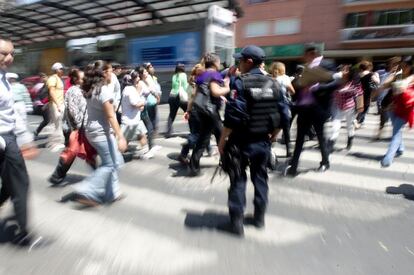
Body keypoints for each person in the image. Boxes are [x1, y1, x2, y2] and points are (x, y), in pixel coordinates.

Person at [218, 45, 282, 236]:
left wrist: (222, 141)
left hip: (240, 141)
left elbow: (232, 115)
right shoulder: (274, 83)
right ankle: (259, 218)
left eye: (240, 60)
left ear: (249, 62)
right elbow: (283, 114)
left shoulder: (240, 82)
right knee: (260, 179)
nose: (239, 64)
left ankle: (237, 223)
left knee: (238, 180)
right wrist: (274, 135)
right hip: (262, 141)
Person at [64, 61, 127, 206]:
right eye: (110, 70)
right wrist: (121, 136)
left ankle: (113, 193)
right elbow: (111, 116)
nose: (112, 73)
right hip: (101, 133)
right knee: (110, 165)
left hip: (92, 131)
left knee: (114, 161)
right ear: (104, 73)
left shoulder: (91, 89)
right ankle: (87, 189)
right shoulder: (103, 91)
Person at [0, 37, 38, 246]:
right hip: (3, 141)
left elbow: (11, 111)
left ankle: (23, 232)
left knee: (12, 185)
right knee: (20, 185)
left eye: (12, 53)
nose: (9, 57)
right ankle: (23, 234)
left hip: (8, 138)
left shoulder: (4, 78)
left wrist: (25, 140)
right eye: (4, 53)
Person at [284, 44, 334, 177]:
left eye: (306, 54)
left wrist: (315, 88)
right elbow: (299, 86)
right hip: (303, 107)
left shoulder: (327, 64)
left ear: (313, 53)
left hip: (318, 108)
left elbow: (334, 83)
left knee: (320, 136)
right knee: (299, 137)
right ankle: (294, 166)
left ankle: (325, 162)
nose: (304, 57)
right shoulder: (305, 67)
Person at [48, 68, 96, 185]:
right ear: (75, 79)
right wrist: (80, 126)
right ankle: (57, 175)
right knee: (73, 151)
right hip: (78, 127)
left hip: (83, 126)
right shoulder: (73, 91)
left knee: (87, 151)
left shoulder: (81, 89)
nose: (85, 79)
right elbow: (73, 110)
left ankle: (98, 175)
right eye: (82, 77)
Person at [188, 53, 230, 176]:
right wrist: (227, 87)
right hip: (211, 111)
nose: (220, 63)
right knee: (221, 135)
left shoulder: (202, 74)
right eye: (219, 61)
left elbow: (196, 94)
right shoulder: (214, 74)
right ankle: (226, 162)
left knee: (203, 138)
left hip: (201, 110)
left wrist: (189, 110)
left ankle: (193, 166)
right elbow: (215, 92)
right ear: (215, 63)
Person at [380, 59, 414, 167]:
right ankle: (401, 148)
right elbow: (384, 85)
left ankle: (388, 158)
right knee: (397, 130)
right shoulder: (398, 75)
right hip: (392, 108)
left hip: (405, 109)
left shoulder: (412, 77)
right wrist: (393, 75)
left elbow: (402, 87)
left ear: (410, 67)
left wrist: (401, 82)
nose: (403, 68)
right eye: (402, 66)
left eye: (405, 66)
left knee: (395, 133)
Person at [327, 65, 364, 152]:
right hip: (338, 107)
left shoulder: (354, 83)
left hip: (350, 108)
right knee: (335, 125)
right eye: (343, 69)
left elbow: (359, 94)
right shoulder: (337, 81)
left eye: (346, 70)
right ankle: (331, 142)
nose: (343, 71)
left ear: (350, 73)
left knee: (349, 126)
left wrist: (360, 108)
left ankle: (350, 141)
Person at [120, 70, 151, 158]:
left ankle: (145, 151)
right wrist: (143, 102)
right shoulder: (129, 90)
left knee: (142, 135)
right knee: (124, 140)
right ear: (132, 79)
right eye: (137, 77)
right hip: (129, 121)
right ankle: (117, 156)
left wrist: (140, 105)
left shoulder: (130, 89)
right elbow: (135, 103)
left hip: (135, 119)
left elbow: (136, 104)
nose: (138, 78)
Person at [269, 61, 295, 157]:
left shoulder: (270, 78)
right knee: (286, 127)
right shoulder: (285, 78)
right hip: (283, 105)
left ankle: (269, 145)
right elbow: (292, 91)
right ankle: (289, 150)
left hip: (272, 106)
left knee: (273, 125)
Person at [47, 62, 66, 152]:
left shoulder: (59, 79)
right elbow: (52, 91)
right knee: (57, 124)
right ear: (56, 70)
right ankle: (56, 143)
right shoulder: (52, 79)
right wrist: (58, 104)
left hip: (59, 104)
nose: (63, 70)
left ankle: (58, 142)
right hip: (56, 104)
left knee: (58, 124)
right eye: (61, 69)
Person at [355, 60, 380, 127]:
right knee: (365, 108)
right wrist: (377, 76)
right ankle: (357, 119)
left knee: (359, 107)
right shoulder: (371, 74)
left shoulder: (357, 74)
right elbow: (377, 82)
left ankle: (361, 122)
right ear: (368, 67)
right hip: (367, 93)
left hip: (358, 92)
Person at [166, 63, 188, 138]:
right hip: (180, 97)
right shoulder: (184, 75)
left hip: (172, 96)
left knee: (172, 114)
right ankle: (194, 130)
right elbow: (185, 87)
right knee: (189, 112)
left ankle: (168, 132)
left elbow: (174, 86)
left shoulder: (174, 76)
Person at [145, 62, 161, 134]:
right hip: (150, 99)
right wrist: (157, 96)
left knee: (154, 117)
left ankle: (152, 131)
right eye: (150, 67)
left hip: (153, 99)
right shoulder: (147, 77)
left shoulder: (153, 77)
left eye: (152, 66)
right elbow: (151, 89)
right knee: (152, 117)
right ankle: (151, 132)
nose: (152, 68)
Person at [33, 73, 50, 137]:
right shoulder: (43, 86)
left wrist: (46, 104)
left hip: (48, 105)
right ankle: (37, 131)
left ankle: (37, 131)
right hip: (43, 105)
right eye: (41, 77)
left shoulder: (49, 85)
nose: (42, 78)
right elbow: (39, 95)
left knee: (48, 120)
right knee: (47, 120)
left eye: (43, 77)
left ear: (47, 77)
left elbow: (51, 95)